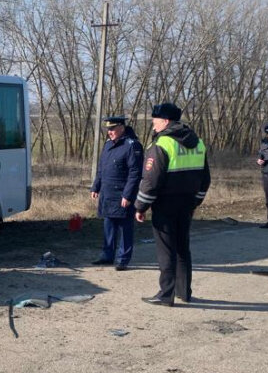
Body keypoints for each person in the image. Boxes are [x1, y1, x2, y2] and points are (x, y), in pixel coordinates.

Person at [134, 103, 210, 306]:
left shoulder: (163, 143)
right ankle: (184, 292)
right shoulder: (198, 142)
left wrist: (140, 206)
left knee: (166, 249)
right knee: (182, 248)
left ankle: (165, 295)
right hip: (187, 203)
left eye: (155, 122)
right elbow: (205, 178)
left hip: (166, 203)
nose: (153, 126)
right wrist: (196, 201)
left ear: (165, 121)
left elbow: (151, 180)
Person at [89, 116, 144, 271]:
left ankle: (123, 259)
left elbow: (135, 173)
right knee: (109, 225)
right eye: (108, 129)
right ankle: (107, 256)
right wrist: (95, 187)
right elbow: (102, 168)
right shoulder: (108, 145)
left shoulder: (132, 145)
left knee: (125, 228)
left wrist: (127, 195)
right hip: (107, 193)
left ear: (122, 128)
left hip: (122, 194)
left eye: (112, 129)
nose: (109, 132)